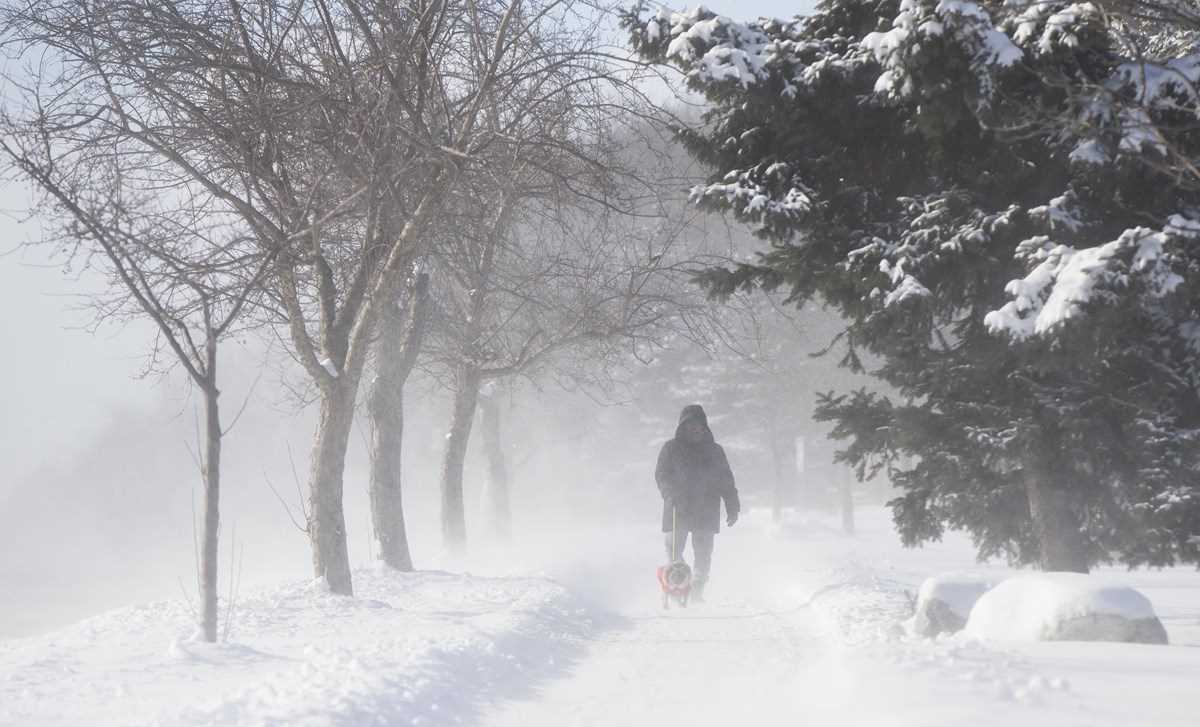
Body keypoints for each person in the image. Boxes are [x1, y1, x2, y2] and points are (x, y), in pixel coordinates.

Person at [654, 404, 740, 603]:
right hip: (677, 506)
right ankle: (681, 582)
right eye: (689, 426)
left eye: (698, 426)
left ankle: (697, 588)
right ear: (682, 427)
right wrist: (669, 493)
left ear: (704, 427)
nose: (694, 430)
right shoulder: (670, 448)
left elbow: (726, 479)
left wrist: (732, 505)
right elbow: (661, 474)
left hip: (706, 508)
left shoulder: (715, 451)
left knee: (703, 553)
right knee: (673, 550)